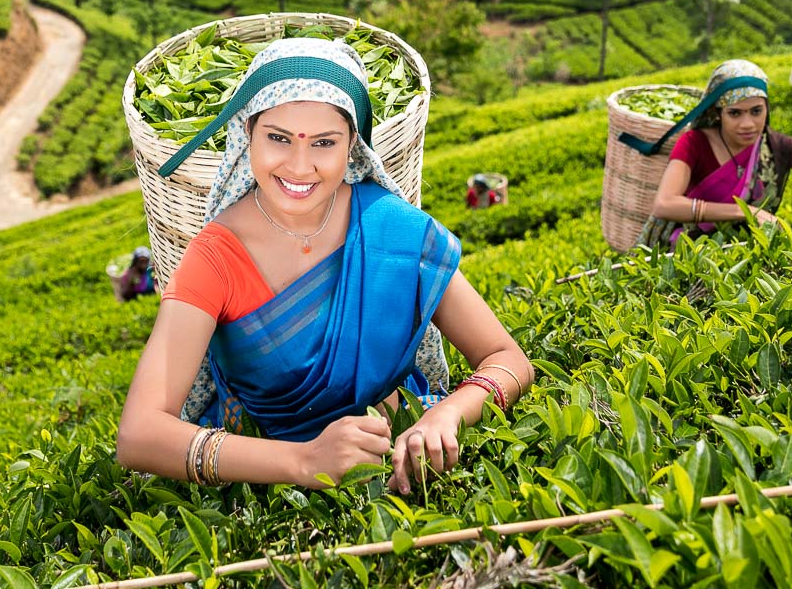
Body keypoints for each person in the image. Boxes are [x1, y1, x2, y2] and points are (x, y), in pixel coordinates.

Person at [116, 38, 532, 495]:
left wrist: (448, 412)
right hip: (265, 483)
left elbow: (507, 359)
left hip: (396, 455)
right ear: (246, 133)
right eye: (278, 138)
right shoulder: (216, 257)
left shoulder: (391, 229)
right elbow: (139, 435)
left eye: (323, 142)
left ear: (351, 145)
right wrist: (302, 460)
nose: (299, 166)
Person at [642, 58, 792, 249]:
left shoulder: (779, 147)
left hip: (751, 252)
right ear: (719, 113)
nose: (748, 124)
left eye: (756, 111)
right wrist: (745, 212)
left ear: (767, 108)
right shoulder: (695, 142)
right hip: (689, 255)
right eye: (735, 113)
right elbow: (665, 204)